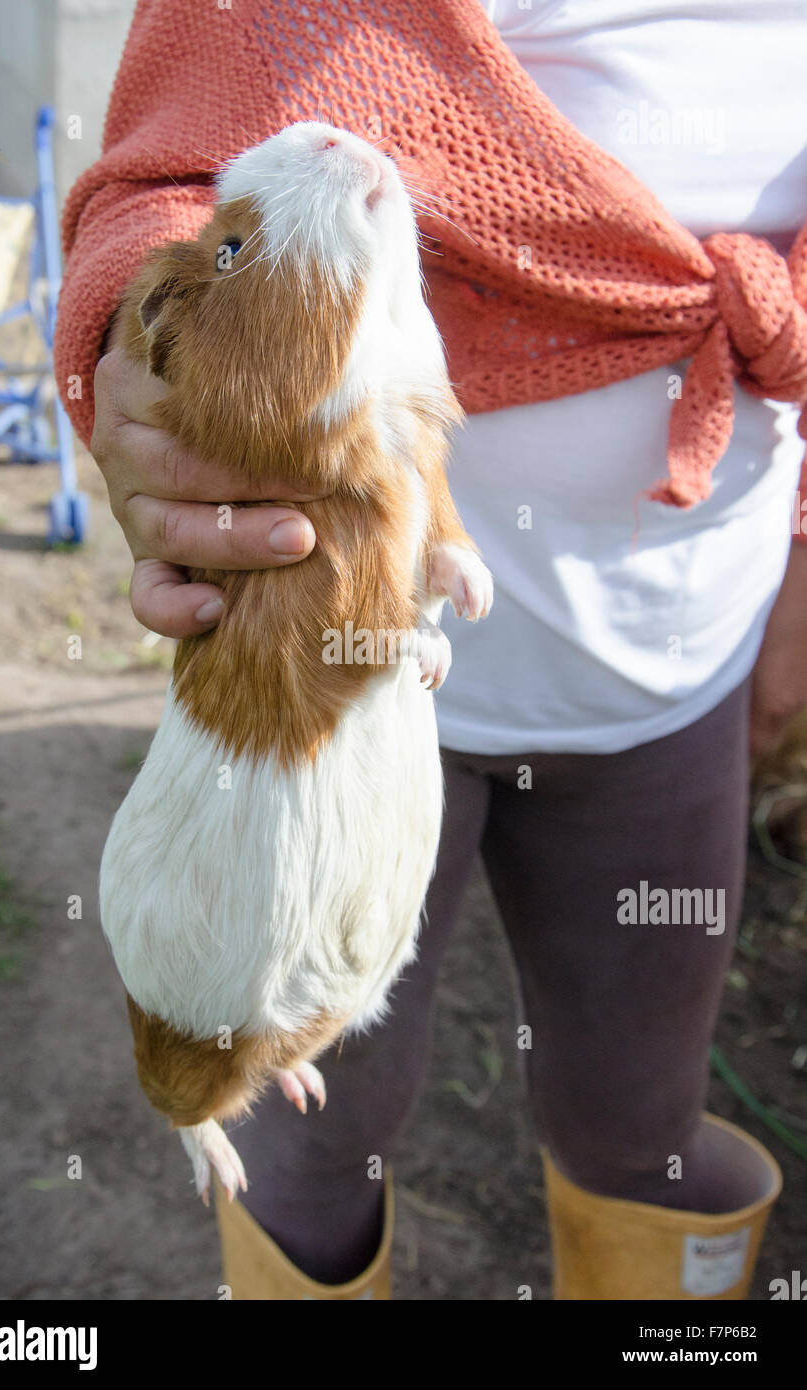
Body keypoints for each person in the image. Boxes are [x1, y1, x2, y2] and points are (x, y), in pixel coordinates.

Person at [56, 0, 807, 1299]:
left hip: (680, 654)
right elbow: (171, 175)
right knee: (310, 1135)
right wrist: (136, 320)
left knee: (639, 1122)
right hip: (342, 697)